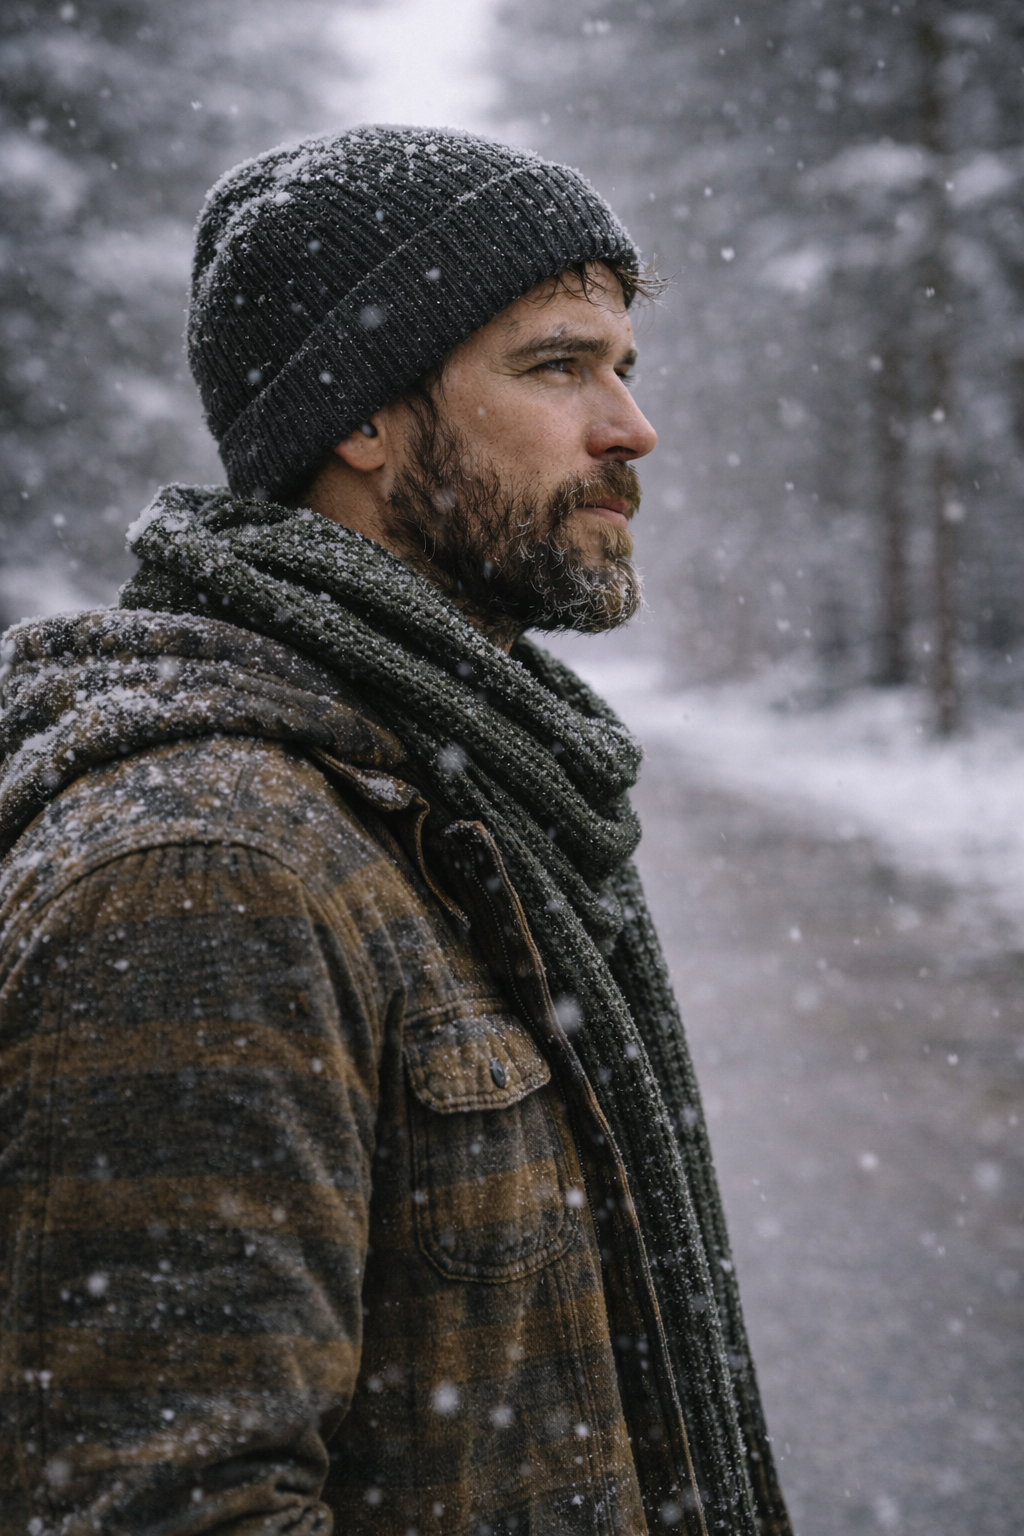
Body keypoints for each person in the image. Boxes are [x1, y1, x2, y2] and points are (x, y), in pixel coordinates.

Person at [0, 128, 791, 1536]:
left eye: (624, 367)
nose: (631, 429)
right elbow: (170, 1501)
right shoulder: (210, 869)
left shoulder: (459, 794)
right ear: (360, 418)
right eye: (558, 367)